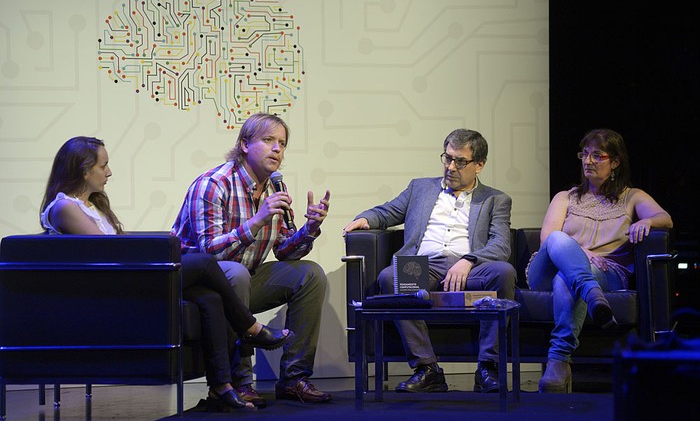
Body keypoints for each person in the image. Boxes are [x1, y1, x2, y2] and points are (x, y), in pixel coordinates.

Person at [40, 136, 293, 411]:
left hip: (127, 280)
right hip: (114, 290)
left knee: (209, 298)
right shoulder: (64, 206)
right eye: (104, 166)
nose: (109, 172)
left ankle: (221, 386)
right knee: (206, 262)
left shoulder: (92, 205)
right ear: (83, 169)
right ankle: (251, 327)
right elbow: (108, 252)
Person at [171, 113, 332, 406]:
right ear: (244, 145)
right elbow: (209, 254)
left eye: (282, 143)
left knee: (310, 274)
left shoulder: (275, 188)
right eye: (268, 140)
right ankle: (241, 382)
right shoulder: (213, 184)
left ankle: (294, 378)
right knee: (236, 272)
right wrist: (256, 222)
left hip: (245, 278)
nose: (277, 150)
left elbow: (285, 250)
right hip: (200, 288)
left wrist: (310, 229)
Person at [343, 128, 516, 394]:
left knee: (504, 273)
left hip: (472, 268)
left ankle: (488, 368)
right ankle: (427, 369)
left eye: (460, 161)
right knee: (391, 277)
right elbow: (387, 212)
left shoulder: (496, 199)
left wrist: (469, 260)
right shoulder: (420, 188)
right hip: (423, 265)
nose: (451, 166)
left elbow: (501, 244)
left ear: (479, 165)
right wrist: (366, 219)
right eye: (447, 158)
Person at [527, 128, 673, 393]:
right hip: (547, 269)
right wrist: (581, 253)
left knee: (568, 278)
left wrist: (648, 221)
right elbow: (548, 239)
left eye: (597, 155)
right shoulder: (566, 197)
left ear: (615, 162)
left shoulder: (633, 197)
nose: (588, 161)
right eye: (585, 155)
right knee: (559, 240)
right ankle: (592, 294)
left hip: (605, 271)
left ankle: (558, 361)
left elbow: (666, 218)